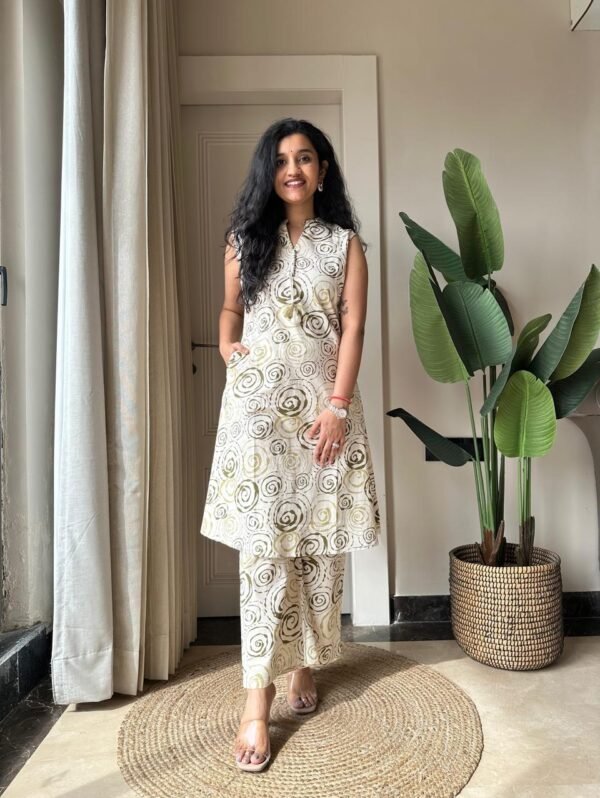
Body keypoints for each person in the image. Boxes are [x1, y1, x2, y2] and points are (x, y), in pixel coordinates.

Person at [199, 117, 381, 772]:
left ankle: (306, 663)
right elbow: (229, 312)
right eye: (280, 160)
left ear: (322, 171)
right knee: (263, 557)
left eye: (305, 158)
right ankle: (258, 702)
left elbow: (352, 330)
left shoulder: (345, 246)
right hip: (258, 424)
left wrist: (337, 408)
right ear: (268, 173)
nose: (293, 169)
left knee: (317, 553)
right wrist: (229, 349)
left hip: (323, 424)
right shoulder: (243, 240)